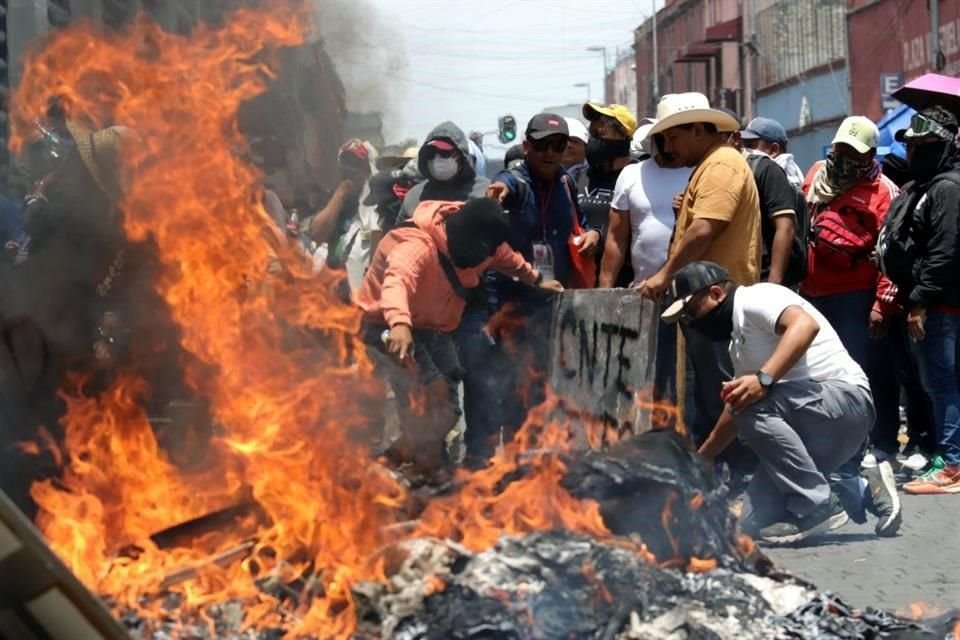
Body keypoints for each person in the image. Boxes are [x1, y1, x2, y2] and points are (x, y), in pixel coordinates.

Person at [670, 262, 902, 543]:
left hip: (846, 403)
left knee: (752, 404)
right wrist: (704, 456)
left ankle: (818, 505)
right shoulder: (738, 346)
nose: (691, 321)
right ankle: (863, 488)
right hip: (812, 427)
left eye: (691, 311)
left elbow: (805, 325)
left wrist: (763, 380)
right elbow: (737, 407)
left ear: (717, 294)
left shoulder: (757, 297)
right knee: (752, 522)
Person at [354, 198, 561, 477]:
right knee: (433, 392)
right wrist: (400, 323)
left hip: (433, 327)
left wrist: (536, 279)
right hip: (387, 324)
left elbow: (508, 259)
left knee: (448, 412)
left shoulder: (487, 247)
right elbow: (397, 282)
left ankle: (408, 463)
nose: (478, 261)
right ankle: (390, 466)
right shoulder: (417, 246)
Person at [637, 93, 761, 455]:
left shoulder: (722, 164)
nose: (668, 147)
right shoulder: (710, 165)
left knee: (722, 398)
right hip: (704, 305)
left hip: (719, 307)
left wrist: (663, 275)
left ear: (698, 131)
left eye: (673, 136)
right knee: (706, 398)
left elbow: (704, 229)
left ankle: (735, 472)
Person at [486, 113, 600, 442]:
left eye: (558, 145)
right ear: (527, 146)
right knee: (513, 387)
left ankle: (540, 456)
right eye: (541, 145)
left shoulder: (566, 184)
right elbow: (504, 184)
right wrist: (499, 191)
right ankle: (514, 457)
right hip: (512, 303)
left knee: (546, 386)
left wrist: (593, 234)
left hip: (552, 304)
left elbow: (580, 223)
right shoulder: (515, 181)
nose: (550, 153)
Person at [801, 117, 899, 472]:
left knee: (863, 373)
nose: (844, 158)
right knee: (817, 374)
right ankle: (831, 445)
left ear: (870, 154)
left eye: (853, 153)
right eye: (840, 149)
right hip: (812, 294)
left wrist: (881, 304)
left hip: (855, 297)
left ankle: (880, 443)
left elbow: (892, 253)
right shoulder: (816, 175)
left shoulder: (883, 192)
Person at [879, 106, 960, 494]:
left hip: (940, 305)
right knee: (938, 384)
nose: (912, 153)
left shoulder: (947, 188)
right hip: (931, 301)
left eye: (921, 145)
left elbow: (944, 250)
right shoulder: (928, 186)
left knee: (942, 384)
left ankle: (952, 466)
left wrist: (921, 302)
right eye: (910, 146)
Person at [599, 121, 692, 403]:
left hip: (691, 297)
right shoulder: (631, 174)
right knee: (645, 381)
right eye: (662, 138)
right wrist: (604, 294)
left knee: (686, 384)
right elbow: (616, 239)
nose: (668, 145)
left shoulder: (700, 172)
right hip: (645, 296)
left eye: (674, 137)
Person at [401, 122, 490, 219]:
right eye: (431, 154)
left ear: (461, 156)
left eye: (444, 153)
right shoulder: (414, 196)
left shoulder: (486, 192)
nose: (437, 159)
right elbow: (399, 227)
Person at [740, 117, 805, 189]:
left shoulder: (785, 182)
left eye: (750, 146)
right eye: (743, 145)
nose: (744, 150)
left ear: (774, 150)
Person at [562, 117, 589, 183]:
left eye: (574, 141)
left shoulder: (596, 176)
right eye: (563, 141)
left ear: (585, 147)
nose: (568, 145)